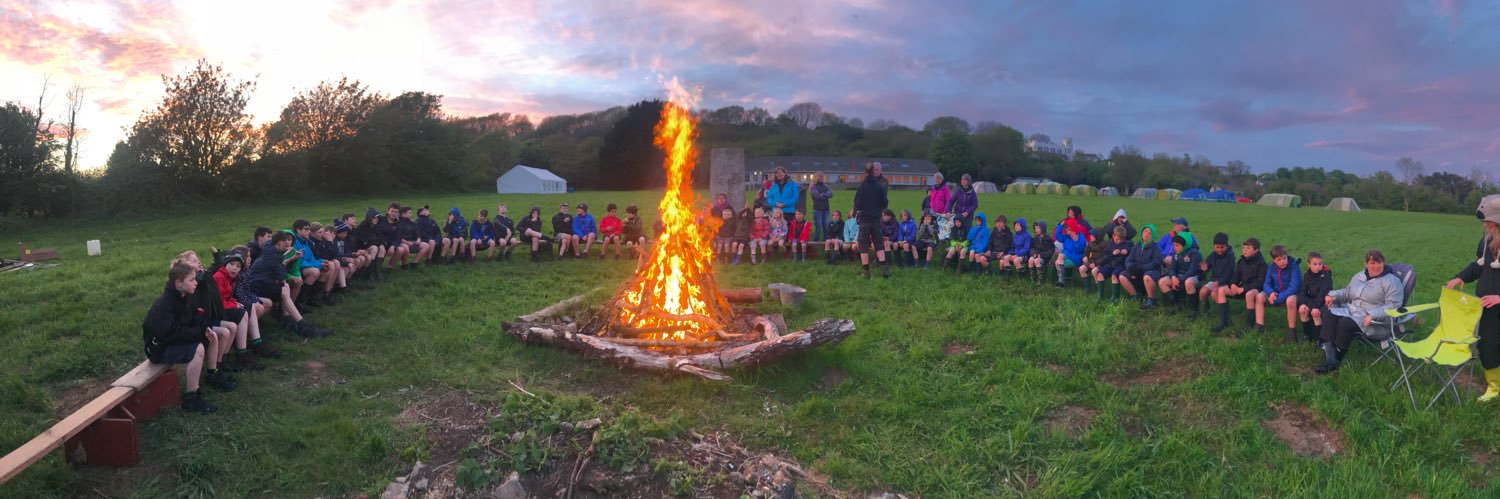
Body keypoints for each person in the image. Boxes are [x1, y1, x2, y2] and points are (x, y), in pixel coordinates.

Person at [144, 262, 223, 414]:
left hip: (169, 340)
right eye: (192, 280)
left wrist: (204, 329)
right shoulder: (164, 304)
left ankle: (214, 374)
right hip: (157, 348)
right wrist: (198, 332)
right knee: (197, 349)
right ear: (179, 283)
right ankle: (190, 399)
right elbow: (171, 333)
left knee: (210, 336)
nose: (196, 282)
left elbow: (193, 318)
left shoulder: (184, 296)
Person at [1445, 195, 1500, 399]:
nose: (1485, 225)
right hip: (1486, 306)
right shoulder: (1486, 240)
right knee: (1487, 345)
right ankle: (1494, 387)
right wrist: (1460, 277)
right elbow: (1479, 264)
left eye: (1489, 221)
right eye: (1484, 221)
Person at [1316, 249, 1404, 374]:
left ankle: (1336, 359)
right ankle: (1331, 357)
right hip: (1353, 311)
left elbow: (1394, 305)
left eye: (1379, 262)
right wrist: (1333, 295)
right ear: (1366, 264)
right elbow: (1348, 293)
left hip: (1375, 321)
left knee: (1345, 323)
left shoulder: (1391, 281)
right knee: (1327, 311)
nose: (1376, 266)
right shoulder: (1360, 276)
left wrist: (1373, 314)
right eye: (1372, 263)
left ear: (1383, 262)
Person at [245, 231, 328, 338]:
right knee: (284, 288)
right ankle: (301, 325)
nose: (286, 246)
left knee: (285, 287)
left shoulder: (270, 250)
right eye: (285, 243)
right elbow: (281, 275)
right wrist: (288, 276)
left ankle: (290, 319)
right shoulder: (271, 255)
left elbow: (280, 265)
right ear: (279, 242)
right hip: (257, 286)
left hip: (262, 283)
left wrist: (292, 259)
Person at [212, 251, 271, 371]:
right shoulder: (219, 277)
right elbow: (217, 302)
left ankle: (257, 343)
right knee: (242, 312)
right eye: (232, 264)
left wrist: (233, 302)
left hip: (222, 308)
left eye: (238, 266)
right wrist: (234, 304)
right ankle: (242, 353)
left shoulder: (228, 277)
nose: (235, 268)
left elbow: (225, 298)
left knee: (248, 306)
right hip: (215, 312)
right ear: (225, 264)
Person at [1213, 238, 1267, 334]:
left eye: (1248, 248)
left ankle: (1248, 326)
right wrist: (1233, 285)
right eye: (1244, 248)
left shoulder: (1261, 263)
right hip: (1240, 289)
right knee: (1222, 290)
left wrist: (1243, 289)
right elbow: (1235, 277)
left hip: (1255, 290)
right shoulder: (1242, 261)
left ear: (1256, 250)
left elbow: (1260, 283)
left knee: (1249, 294)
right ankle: (1224, 321)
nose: (1245, 250)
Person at [1258, 245, 1303, 343]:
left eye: (1284, 258)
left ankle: (1292, 333)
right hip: (1276, 293)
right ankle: (1260, 327)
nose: (1283, 261)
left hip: (1293, 294)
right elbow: (1266, 283)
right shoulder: (1271, 268)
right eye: (1279, 259)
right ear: (1273, 260)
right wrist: (1270, 293)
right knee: (1259, 296)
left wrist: (1276, 299)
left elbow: (1294, 287)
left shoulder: (1294, 267)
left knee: (1291, 300)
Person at [853, 163, 891, 278]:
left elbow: (857, 205)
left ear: (865, 173)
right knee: (878, 244)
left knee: (863, 245)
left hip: (864, 220)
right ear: (874, 172)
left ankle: (866, 272)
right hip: (876, 219)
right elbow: (885, 202)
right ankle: (884, 270)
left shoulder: (861, 187)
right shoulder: (880, 186)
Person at [1297, 252, 1335, 344]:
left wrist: (1316, 307)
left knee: (1315, 313)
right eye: (1315, 264)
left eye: (1320, 264)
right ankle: (1306, 335)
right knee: (1303, 310)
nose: (1318, 266)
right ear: (1309, 264)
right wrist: (1302, 304)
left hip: (1323, 302)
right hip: (1310, 300)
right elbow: (1302, 291)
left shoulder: (1326, 275)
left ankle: (1319, 339)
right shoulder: (1307, 275)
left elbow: (1323, 292)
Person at [1159, 233, 1203, 314]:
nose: (1174, 247)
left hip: (1195, 277)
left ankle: (1194, 310)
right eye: (1174, 245)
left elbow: (1192, 271)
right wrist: (1173, 277)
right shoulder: (1175, 253)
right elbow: (1172, 267)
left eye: (1177, 245)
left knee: (1188, 282)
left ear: (1185, 245)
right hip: (1179, 276)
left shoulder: (1195, 253)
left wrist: (1178, 280)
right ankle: (1176, 306)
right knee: (1162, 282)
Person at [1197, 233, 1234, 317]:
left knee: (1214, 293)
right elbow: (1207, 266)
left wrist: (1219, 282)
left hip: (1226, 282)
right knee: (1202, 292)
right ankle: (1206, 312)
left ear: (1226, 246)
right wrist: (1205, 269)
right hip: (1214, 281)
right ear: (1214, 246)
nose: (1219, 250)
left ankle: (1226, 314)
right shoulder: (1212, 255)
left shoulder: (1230, 257)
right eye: (1217, 247)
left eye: (1222, 247)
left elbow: (1229, 274)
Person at [1094, 225, 1132, 301]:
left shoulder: (1128, 244)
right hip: (1110, 264)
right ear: (1113, 235)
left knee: (1114, 275)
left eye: (1122, 239)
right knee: (1100, 274)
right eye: (1118, 239)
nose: (1120, 241)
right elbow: (1105, 256)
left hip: (1121, 265)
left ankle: (1115, 297)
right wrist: (1113, 253)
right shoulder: (1109, 244)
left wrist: (1127, 251)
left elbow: (1133, 251)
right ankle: (1100, 296)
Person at [1125, 224, 1160, 306]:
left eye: (1150, 233)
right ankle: (1135, 296)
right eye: (1145, 231)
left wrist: (1141, 269)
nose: (1146, 234)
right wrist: (1131, 269)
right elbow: (1128, 260)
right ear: (1141, 233)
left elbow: (1156, 262)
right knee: (1122, 276)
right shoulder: (1136, 246)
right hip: (1136, 269)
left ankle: (1151, 300)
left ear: (1153, 235)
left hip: (1151, 270)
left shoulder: (1155, 247)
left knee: (1147, 277)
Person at [1053, 219, 1087, 288]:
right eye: (1066, 230)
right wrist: (1060, 226)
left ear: (1073, 228)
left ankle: (1061, 282)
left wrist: (1075, 240)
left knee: (1057, 262)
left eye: (1069, 229)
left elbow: (1079, 250)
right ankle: (1061, 282)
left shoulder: (1080, 237)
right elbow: (1057, 236)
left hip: (1075, 258)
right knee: (1060, 256)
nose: (1067, 232)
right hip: (1066, 254)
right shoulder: (1066, 237)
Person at [1027, 220, 1056, 285]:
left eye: (1038, 228)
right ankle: (1032, 278)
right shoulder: (1034, 239)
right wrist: (1033, 254)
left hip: (1045, 258)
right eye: (1035, 228)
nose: (1036, 230)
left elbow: (1050, 251)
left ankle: (1040, 280)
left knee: (1037, 260)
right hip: (1036, 255)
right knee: (1031, 260)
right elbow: (1031, 248)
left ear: (1042, 228)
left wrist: (1040, 255)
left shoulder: (1048, 239)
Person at [810, 172, 834, 242]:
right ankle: (815, 241)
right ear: (816, 177)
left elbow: (831, 194)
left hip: (826, 209)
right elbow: (817, 196)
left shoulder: (825, 186)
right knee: (818, 226)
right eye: (820, 177)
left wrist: (823, 194)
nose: (821, 178)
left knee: (826, 226)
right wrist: (826, 195)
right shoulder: (813, 186)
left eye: (822, 177)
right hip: (817, 209)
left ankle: (826, 242)